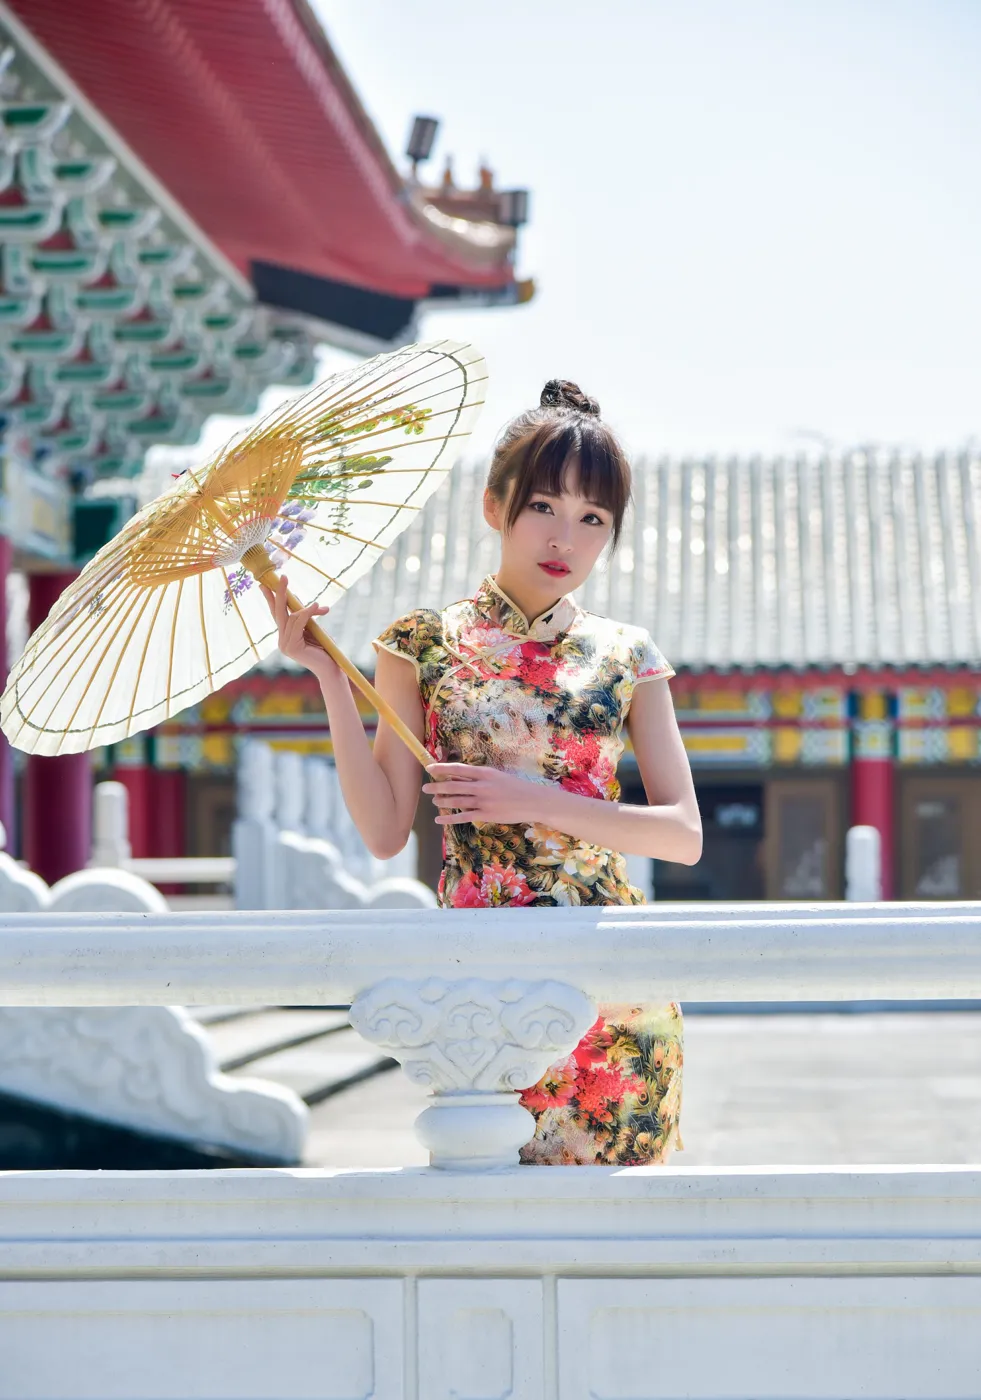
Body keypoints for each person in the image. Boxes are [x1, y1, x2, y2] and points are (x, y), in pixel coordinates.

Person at [264, 379, 702, 1165]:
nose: (564, 536)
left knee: (623, 1232)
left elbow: (681, 837)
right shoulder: (420, 643)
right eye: (542, 506)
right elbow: (382, 829)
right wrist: (329, 679)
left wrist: (530, 799)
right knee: (490, 1210)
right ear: (494, 506)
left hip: (612, 974)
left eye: (591, 518)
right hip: (481, 976)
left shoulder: (626, 655)